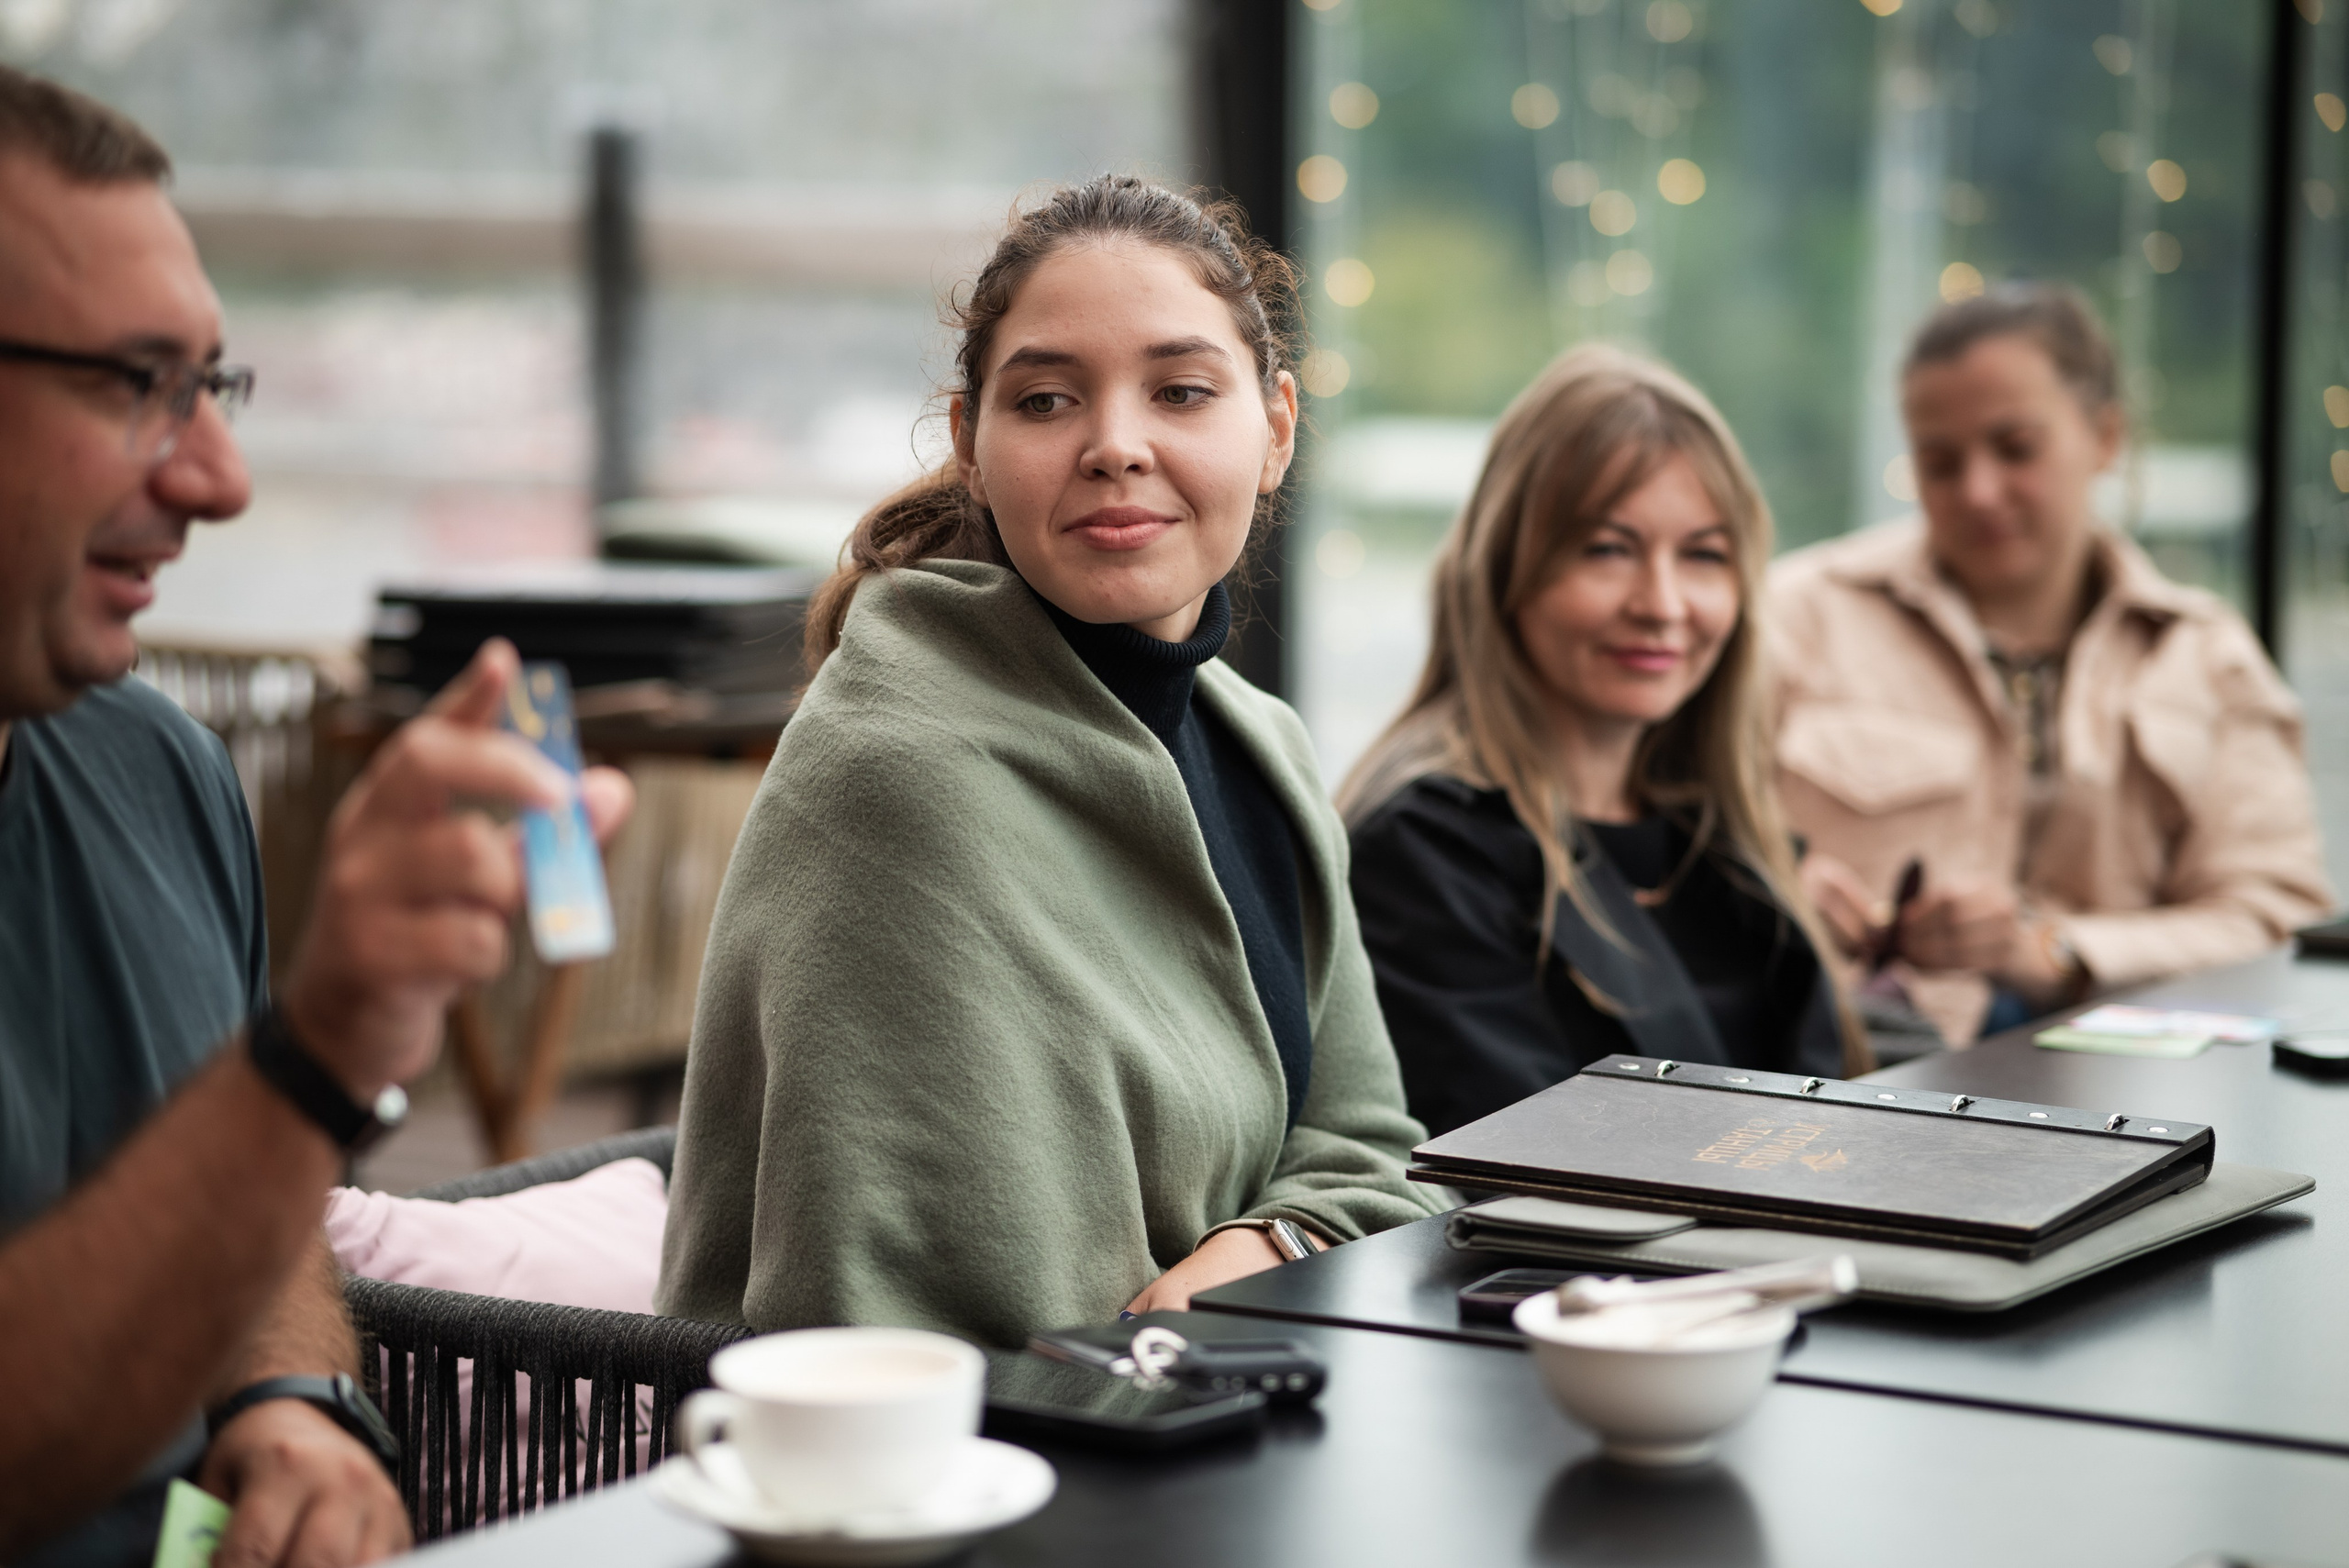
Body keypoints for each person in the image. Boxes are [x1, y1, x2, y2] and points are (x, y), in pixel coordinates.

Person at [0, 68, 632, 1565]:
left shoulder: (156, 765)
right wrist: (324, 1045)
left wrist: (295, 1399)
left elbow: (241, 1194)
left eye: (213, 383)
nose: (220, 476)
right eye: (134, 381)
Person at [656, 175, 1441, 1348]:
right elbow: (936, 1331)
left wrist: (1265, 1243)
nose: (1116, 445)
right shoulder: (896, 778)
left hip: (1217, 1404)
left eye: (1180, 391)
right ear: (971, 444)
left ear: (1274, 428)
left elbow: (1369, 1146)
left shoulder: (1258, 746)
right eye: (1045, 400)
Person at [1769, 284, 2332, 1046]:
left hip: (2134, 1095)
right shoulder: (1797, 616)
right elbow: (1668, 833)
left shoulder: (2207, 657)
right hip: (1855, 1079)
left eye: (2015, 448)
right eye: (1939, 463)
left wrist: (2057, 951)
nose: (1978, 490)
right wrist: (1776, 891)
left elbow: (2276, 918)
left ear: (2105, 437)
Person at [1340, 346, 1860, 1140]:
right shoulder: (1424, 848)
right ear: (1508, 569)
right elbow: (1532, 1167)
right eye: (1609, 550)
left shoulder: (1712, 831)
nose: (1663, 604)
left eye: (1704, 555)